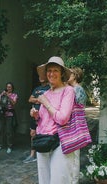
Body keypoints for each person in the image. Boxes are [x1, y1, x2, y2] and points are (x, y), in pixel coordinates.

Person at [30, 56, 76, 184]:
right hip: (43, 140)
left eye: (55, 70)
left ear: (61, 73)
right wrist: (36, 115)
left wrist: (46, 103)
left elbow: (62, 118)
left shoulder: (68, 91)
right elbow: (44, 119)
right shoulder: (46, 93)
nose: (51, 74)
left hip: (60, 141)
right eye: (49, 71)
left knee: (58, 180)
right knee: (44, 180)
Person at [67, 67, 88, 183]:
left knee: (75, 155)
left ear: (75, 76)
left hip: (76, 125)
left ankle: (74, 181)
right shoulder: (72, 89)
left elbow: (79, 110)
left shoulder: (78, 89)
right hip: (72, 124)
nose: (67, 76)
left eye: (70, 74)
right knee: (71, 154)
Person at [23, 77, 50, 164]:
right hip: (34, 115)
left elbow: (50, 101)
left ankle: (43, 154)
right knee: (33, 134)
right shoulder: (37, 89)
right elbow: (30, 99)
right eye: (39, 77)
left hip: (45, 116)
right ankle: (32, 155)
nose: (41, 78)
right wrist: (40, 100)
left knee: (44, 134)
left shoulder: (49, 88)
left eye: (43, 76)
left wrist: (38, 101)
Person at [0, 82, 18, 154]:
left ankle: (9, 146)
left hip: (10, 114)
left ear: (12, 88)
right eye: (7, 87)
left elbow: (14, 103)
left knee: (9, 131)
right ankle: (0, 145)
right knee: (0, 130)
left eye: (10, 87)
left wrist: (8, 96)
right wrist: (1, 96)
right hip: (2, 114)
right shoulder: (2, 94)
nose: (8, 88)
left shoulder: (15, 95)